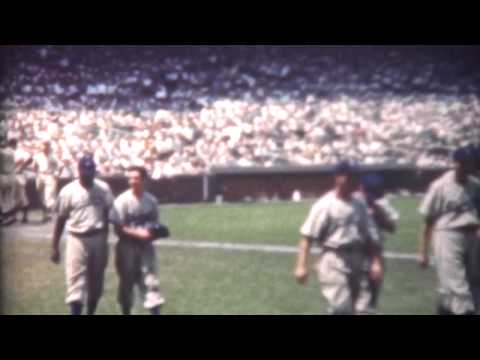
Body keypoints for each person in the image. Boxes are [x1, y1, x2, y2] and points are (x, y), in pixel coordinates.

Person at [294, 161, 382, 315]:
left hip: (358, 258)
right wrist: (301, 266)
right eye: (351, 177)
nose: (356, 181)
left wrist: (375, 261)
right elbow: (307, 236)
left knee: (361, 309)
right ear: (339, 178)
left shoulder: (359, 203)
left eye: (356, 177)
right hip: (334, 258)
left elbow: (370, 235)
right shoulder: (325, 204)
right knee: (342, 308)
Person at [418, 146, 480, 315]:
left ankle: (446, 309)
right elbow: (429, 220)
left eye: (472, 163)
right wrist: (423, 251)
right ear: (457, 164)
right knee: (458, 287)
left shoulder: (475, 185)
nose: (471, 166)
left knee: (473, 283)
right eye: (466, 163)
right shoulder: (440, 185)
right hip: (448, 235)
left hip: (472, 236)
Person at [51, 155, 114, 315]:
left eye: (91, 170)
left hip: (99, 237)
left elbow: (108, 215)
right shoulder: (68, 191)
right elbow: (61, 220)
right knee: (75, 285)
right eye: (85, 170)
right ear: (78, 171)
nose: (88, 173)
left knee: (96, 285)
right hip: (76, 239)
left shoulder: (104, 188)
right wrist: (54, 247)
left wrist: (105, 241)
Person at [109, 166, 166, 315]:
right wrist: (139, 234)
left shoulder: (151, 201)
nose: (132, 181)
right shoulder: (122, 200)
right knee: (126, 285)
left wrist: (156, 233)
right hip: (126, 248)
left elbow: (155, 226)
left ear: (144, 180)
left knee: (150, 282)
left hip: (146, 248)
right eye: (130, 178)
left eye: (136, 178)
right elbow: (117, 228)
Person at [354, 174, 398, 314]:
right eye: (368, 192)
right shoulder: (352, 200)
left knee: (371, 301)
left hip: (375, 254)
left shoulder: (381, 203)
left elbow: (392, 227)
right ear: (361, 188)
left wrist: (378, 213)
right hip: (354, 253)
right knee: (356, 302)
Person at [34, 141, 61, 222]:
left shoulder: (54, 156)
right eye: (44, 145)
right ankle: (45, 213)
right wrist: (37, 174)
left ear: (49, 147)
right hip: (40, 175)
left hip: (50, 175)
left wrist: (56, 175)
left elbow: (59, 167)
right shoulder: (38, 156)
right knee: (41, 195)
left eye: (47, 145)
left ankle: (48, 214)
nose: (45, 147)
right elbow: (35, 166)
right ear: (41, 146)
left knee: (48, 195)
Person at [9, 138, 33, 223]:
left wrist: (22, 166)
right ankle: (14, 216)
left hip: (18, 175)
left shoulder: (18, 152)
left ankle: (24, 217)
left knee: (21, 197)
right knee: (14, 197)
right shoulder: (10, 152)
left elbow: (30, 158)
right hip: (12, 175)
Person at [0, 138, 17, 226]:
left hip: (2, 175)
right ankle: (9, 216)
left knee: (3, 198)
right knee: (8, 197)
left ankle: (5, 217)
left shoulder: (2, 153)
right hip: (11, 176)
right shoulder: (11, 152)